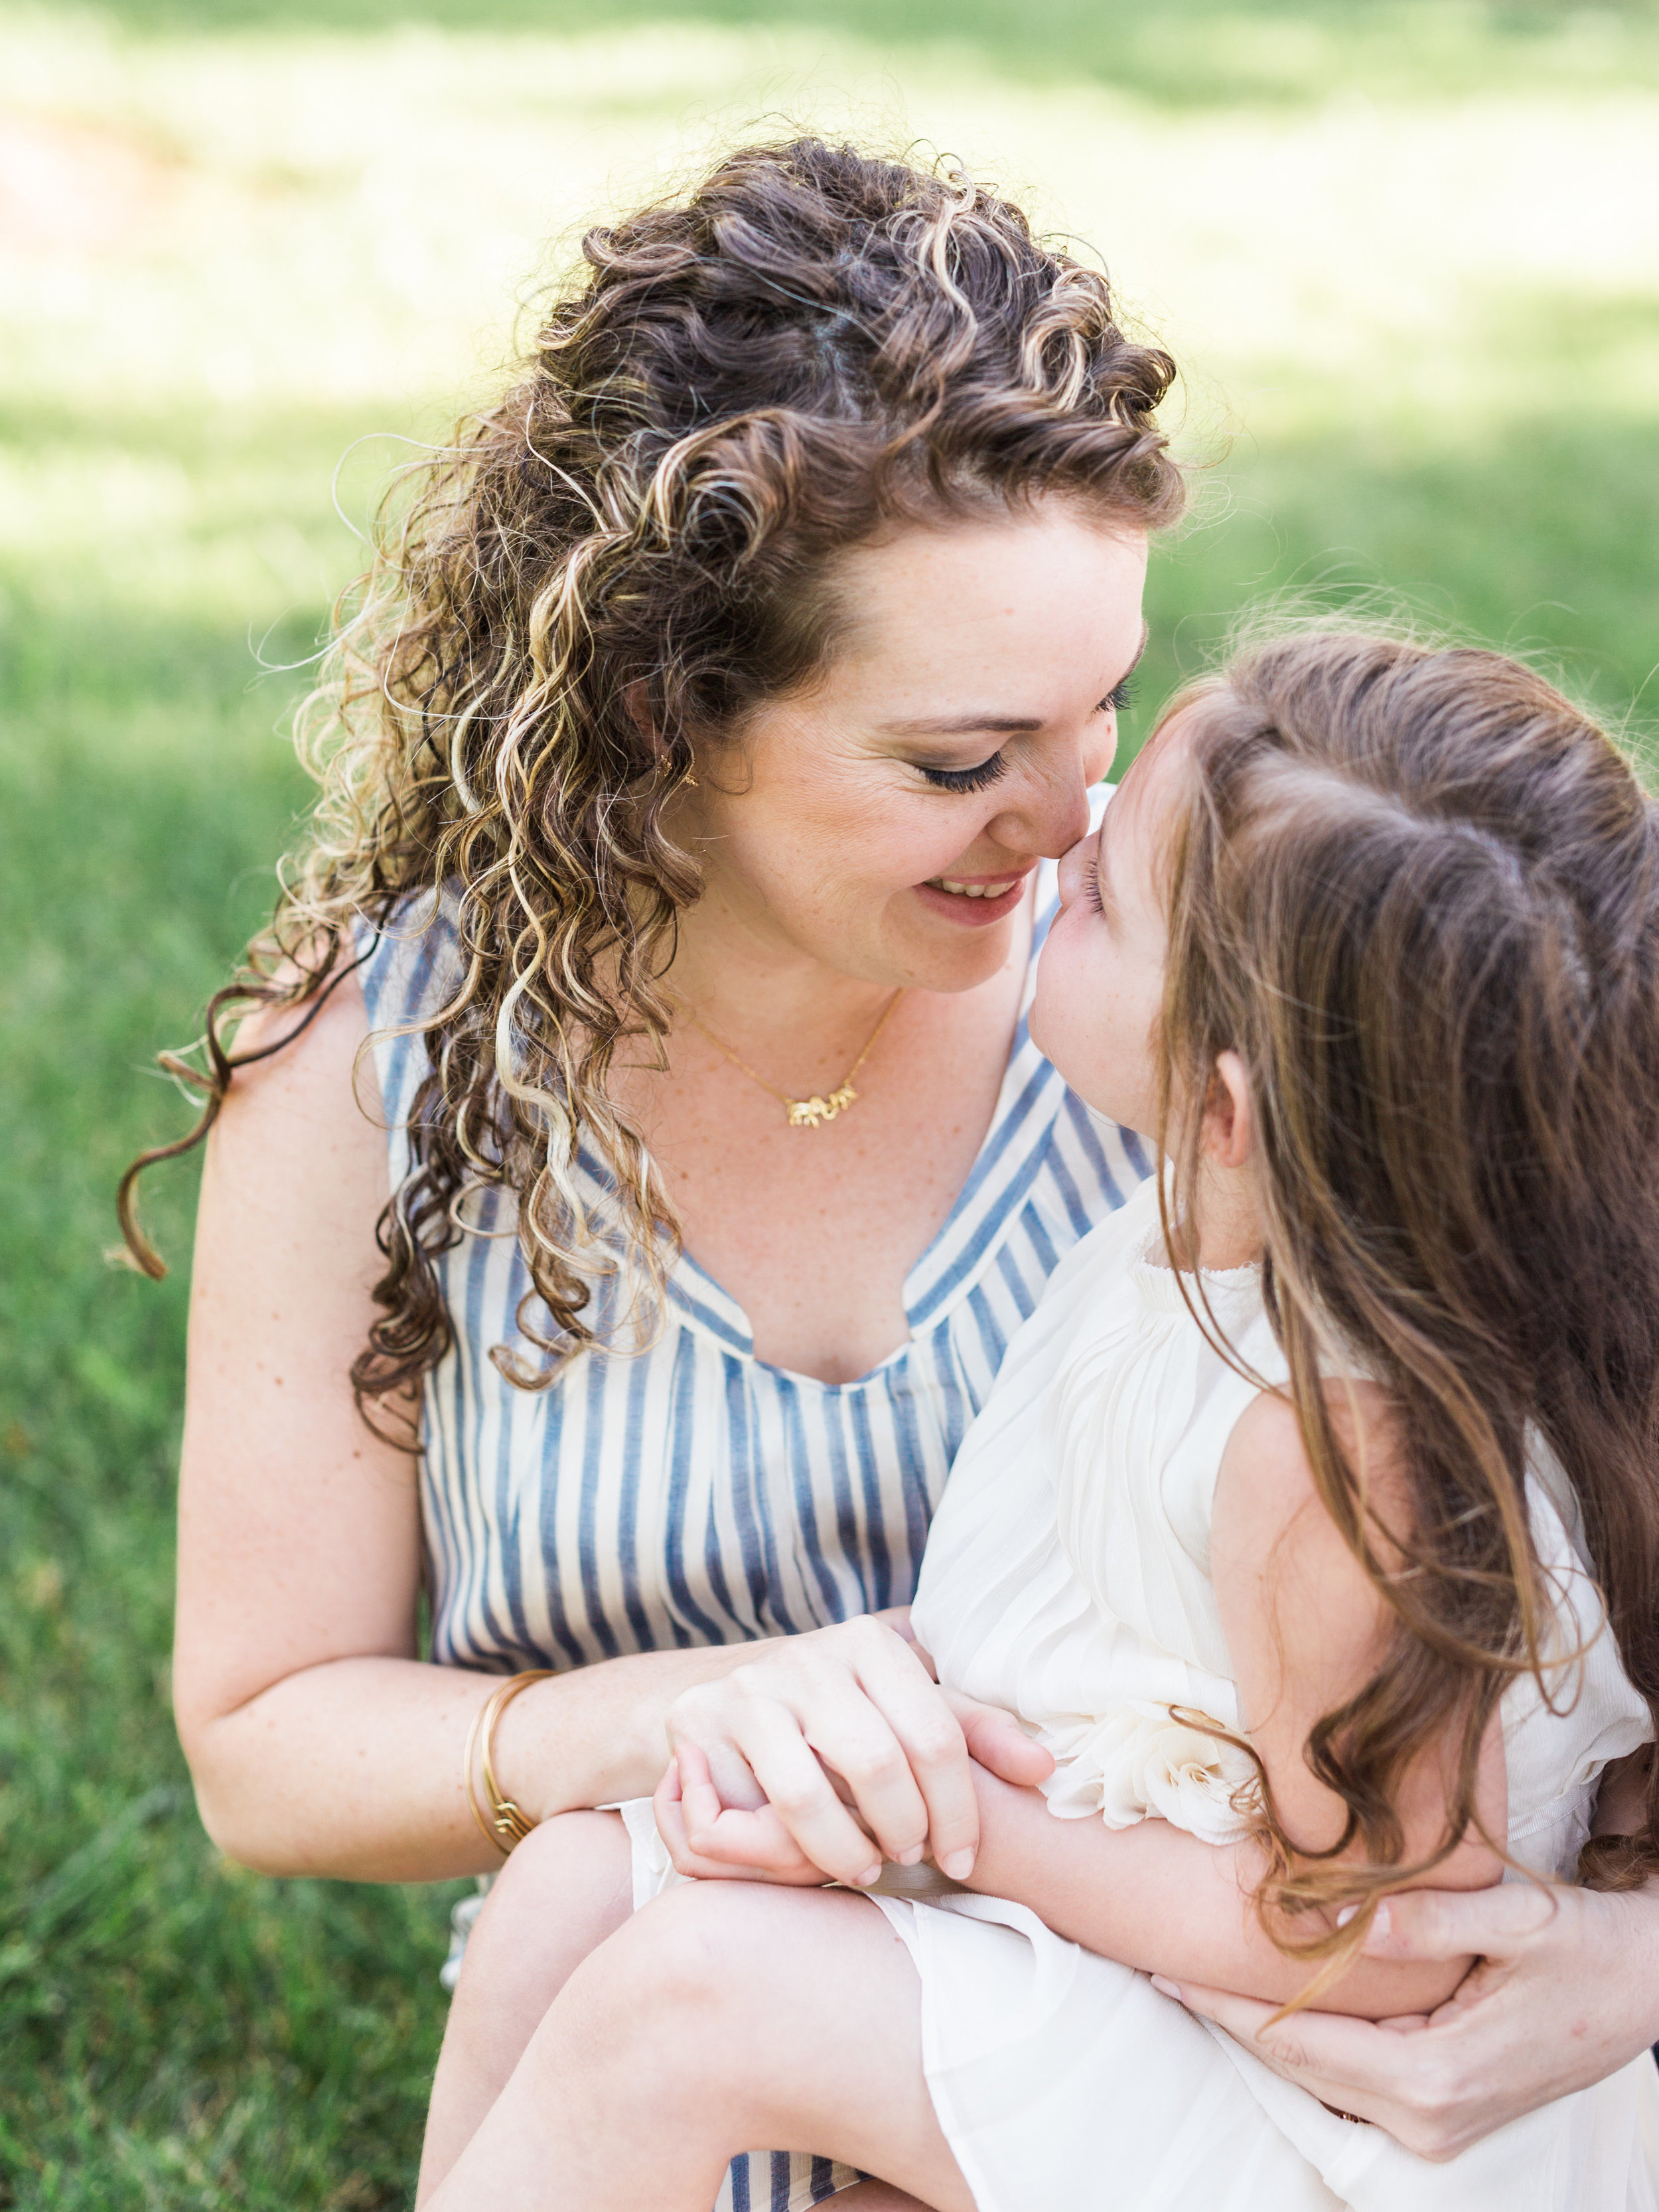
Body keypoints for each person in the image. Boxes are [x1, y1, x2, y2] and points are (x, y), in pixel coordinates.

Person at [119, 134, 1659, 2209]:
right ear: (669, 711)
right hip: (659, 2047)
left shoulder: (1242, 1029)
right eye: (957, 761)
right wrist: (671, 1723)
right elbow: (265, 1738)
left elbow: (1557, 1535)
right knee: (620, 1915)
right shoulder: (381, 1062)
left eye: (1100, 712)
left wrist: (1622, 1965)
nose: (1062, 824)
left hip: (1210, 2065)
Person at [415, 631, 1659, 2212]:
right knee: (570, 1881)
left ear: (1224, 1107)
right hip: (1122, 1951)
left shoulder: (1336, 1450)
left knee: (699, 1992)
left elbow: (1368, 1945)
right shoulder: (1187, 1232)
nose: (1076, 821)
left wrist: (970, 1831)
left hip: (1308, 2107)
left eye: (1102, 898)